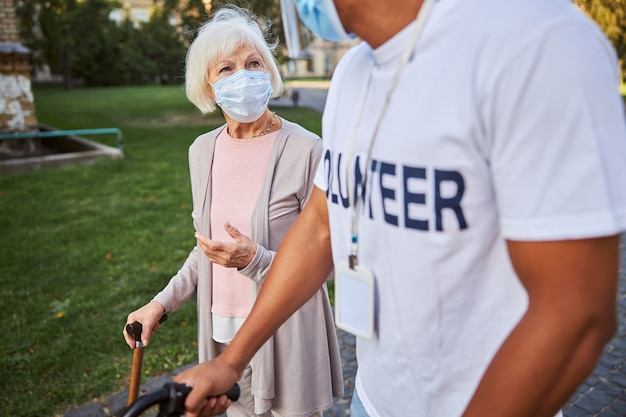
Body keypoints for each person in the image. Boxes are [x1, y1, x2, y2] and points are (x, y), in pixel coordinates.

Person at [174, 0, 626, 416]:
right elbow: (320, 226)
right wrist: (233, 361)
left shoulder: (538, 43)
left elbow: (577, 312)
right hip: (372, 400)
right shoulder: (353, 73)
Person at [123, 5, 343, 417]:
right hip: (223, 333)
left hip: (288, 333)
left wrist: (256, 261)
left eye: (253, 63)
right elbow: (206, 250)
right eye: (226, 68)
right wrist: (160, 303)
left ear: (270, 72)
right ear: (208, 87)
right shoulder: (202, 151)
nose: (243, 76)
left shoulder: (307, 150)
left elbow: (328, 260)